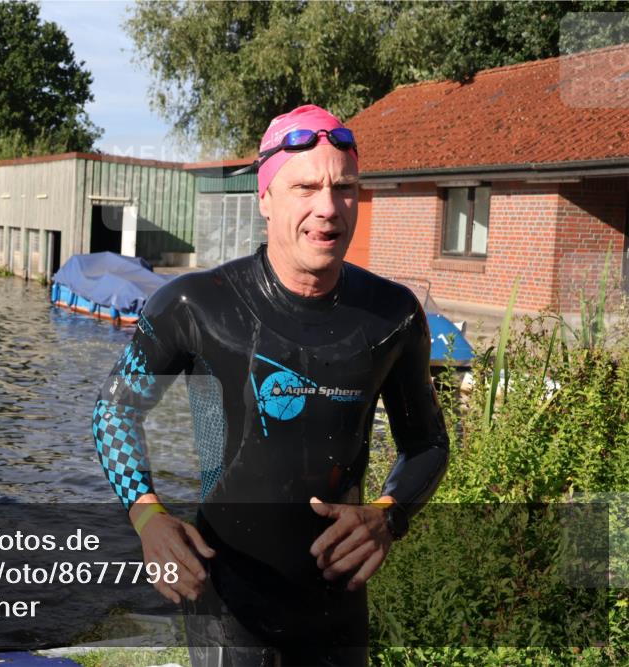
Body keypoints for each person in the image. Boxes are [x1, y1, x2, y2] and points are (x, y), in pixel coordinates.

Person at [92, 105, 449, 665]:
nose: (328, 208)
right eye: (305, 187)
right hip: (226, 603)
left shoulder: (393, 315)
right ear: (266, 199)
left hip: (338, 612)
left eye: (345, 187)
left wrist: (388, 514)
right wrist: (148, 516)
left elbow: (426, 443)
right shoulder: (196, 305)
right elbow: (115, 411)